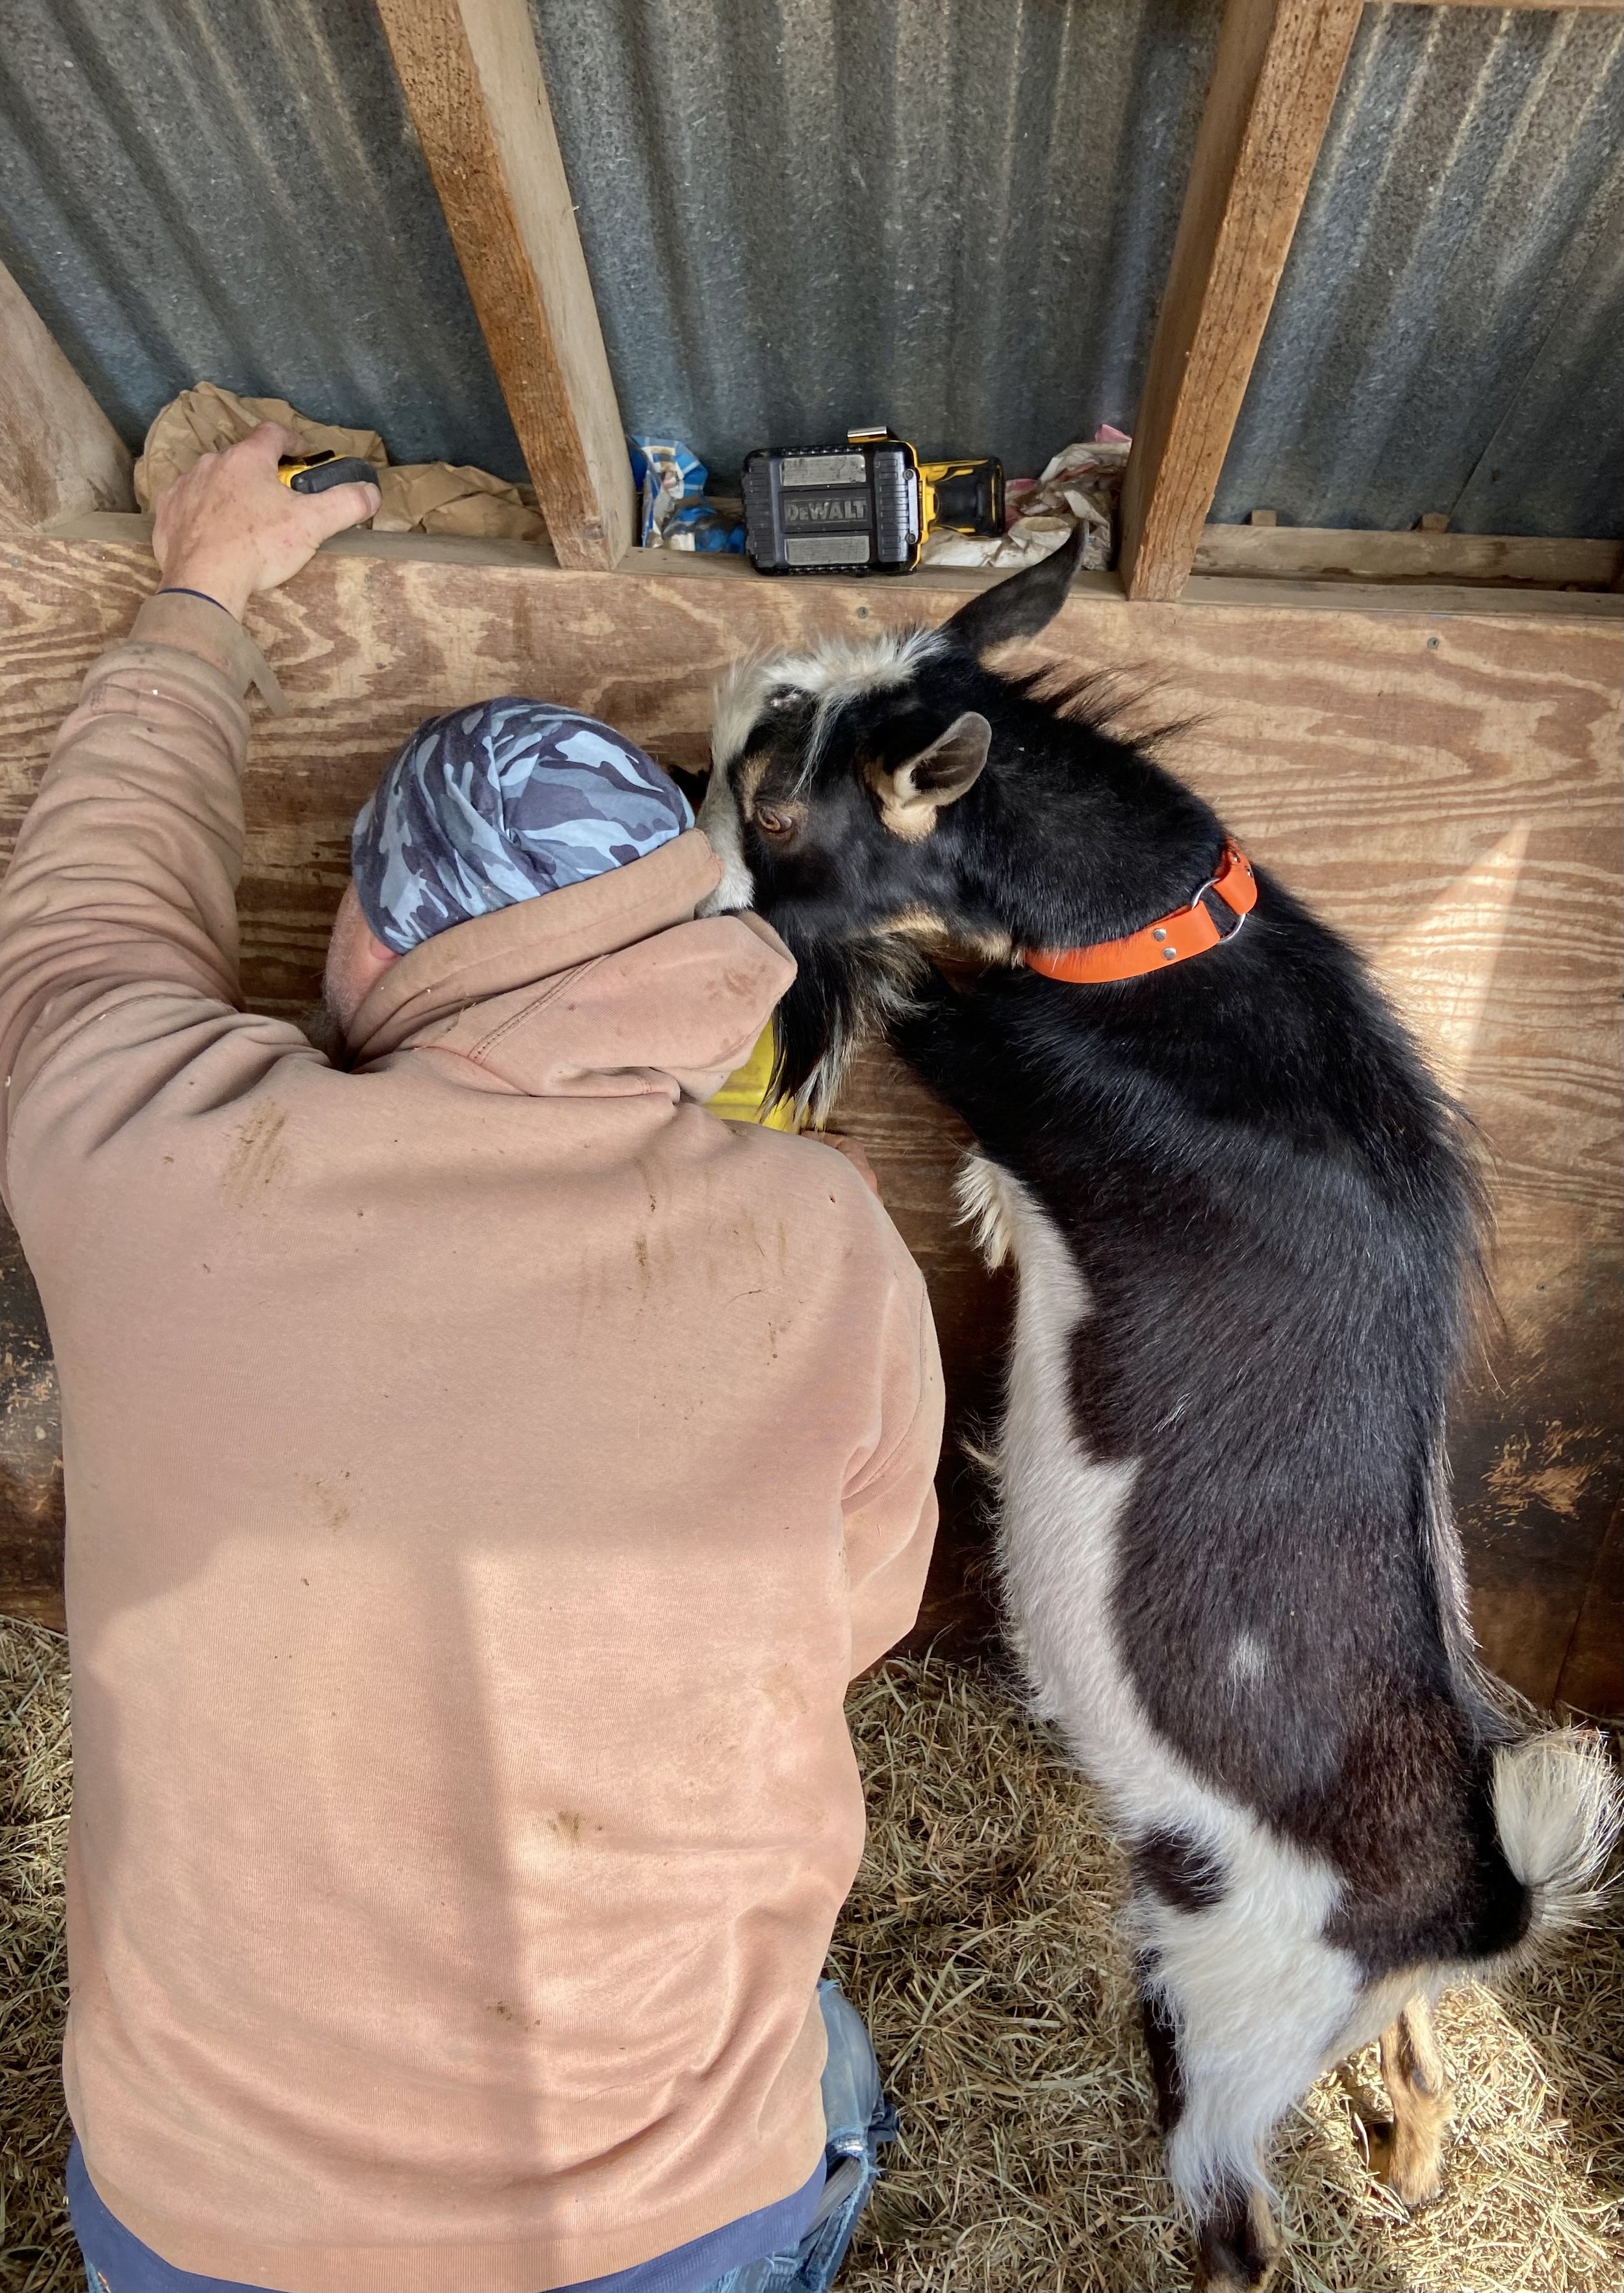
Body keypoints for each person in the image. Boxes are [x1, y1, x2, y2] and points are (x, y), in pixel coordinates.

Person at [0, 425, 943, 2293]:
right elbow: (853, 1614)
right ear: (678, 953)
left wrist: (198, 591)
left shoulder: (146, 1157)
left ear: (366, 932)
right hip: (651, 2210)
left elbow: (88, 924)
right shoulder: (825, 1247)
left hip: (204, 2215)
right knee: (819, 2069)